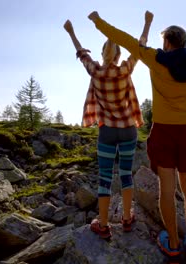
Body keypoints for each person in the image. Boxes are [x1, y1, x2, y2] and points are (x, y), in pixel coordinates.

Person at [88, 9, 186, 261]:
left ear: (167, 42)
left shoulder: (155, 58)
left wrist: (97, 22)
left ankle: (172, 242)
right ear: (184, 42)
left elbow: (124, 38)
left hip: (163, 132)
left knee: (167, 191)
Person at [63, 11, 153, 240]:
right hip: (128, 130)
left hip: (107, 132)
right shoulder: (125, 69)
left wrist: (71, 32)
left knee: (104, 176)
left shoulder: (95, 70)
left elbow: (80, 52)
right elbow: (140, 48)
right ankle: (126, 218)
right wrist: (147, 23)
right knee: (125, 175)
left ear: (102, 53)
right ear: (119, 53)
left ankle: (103, 225)